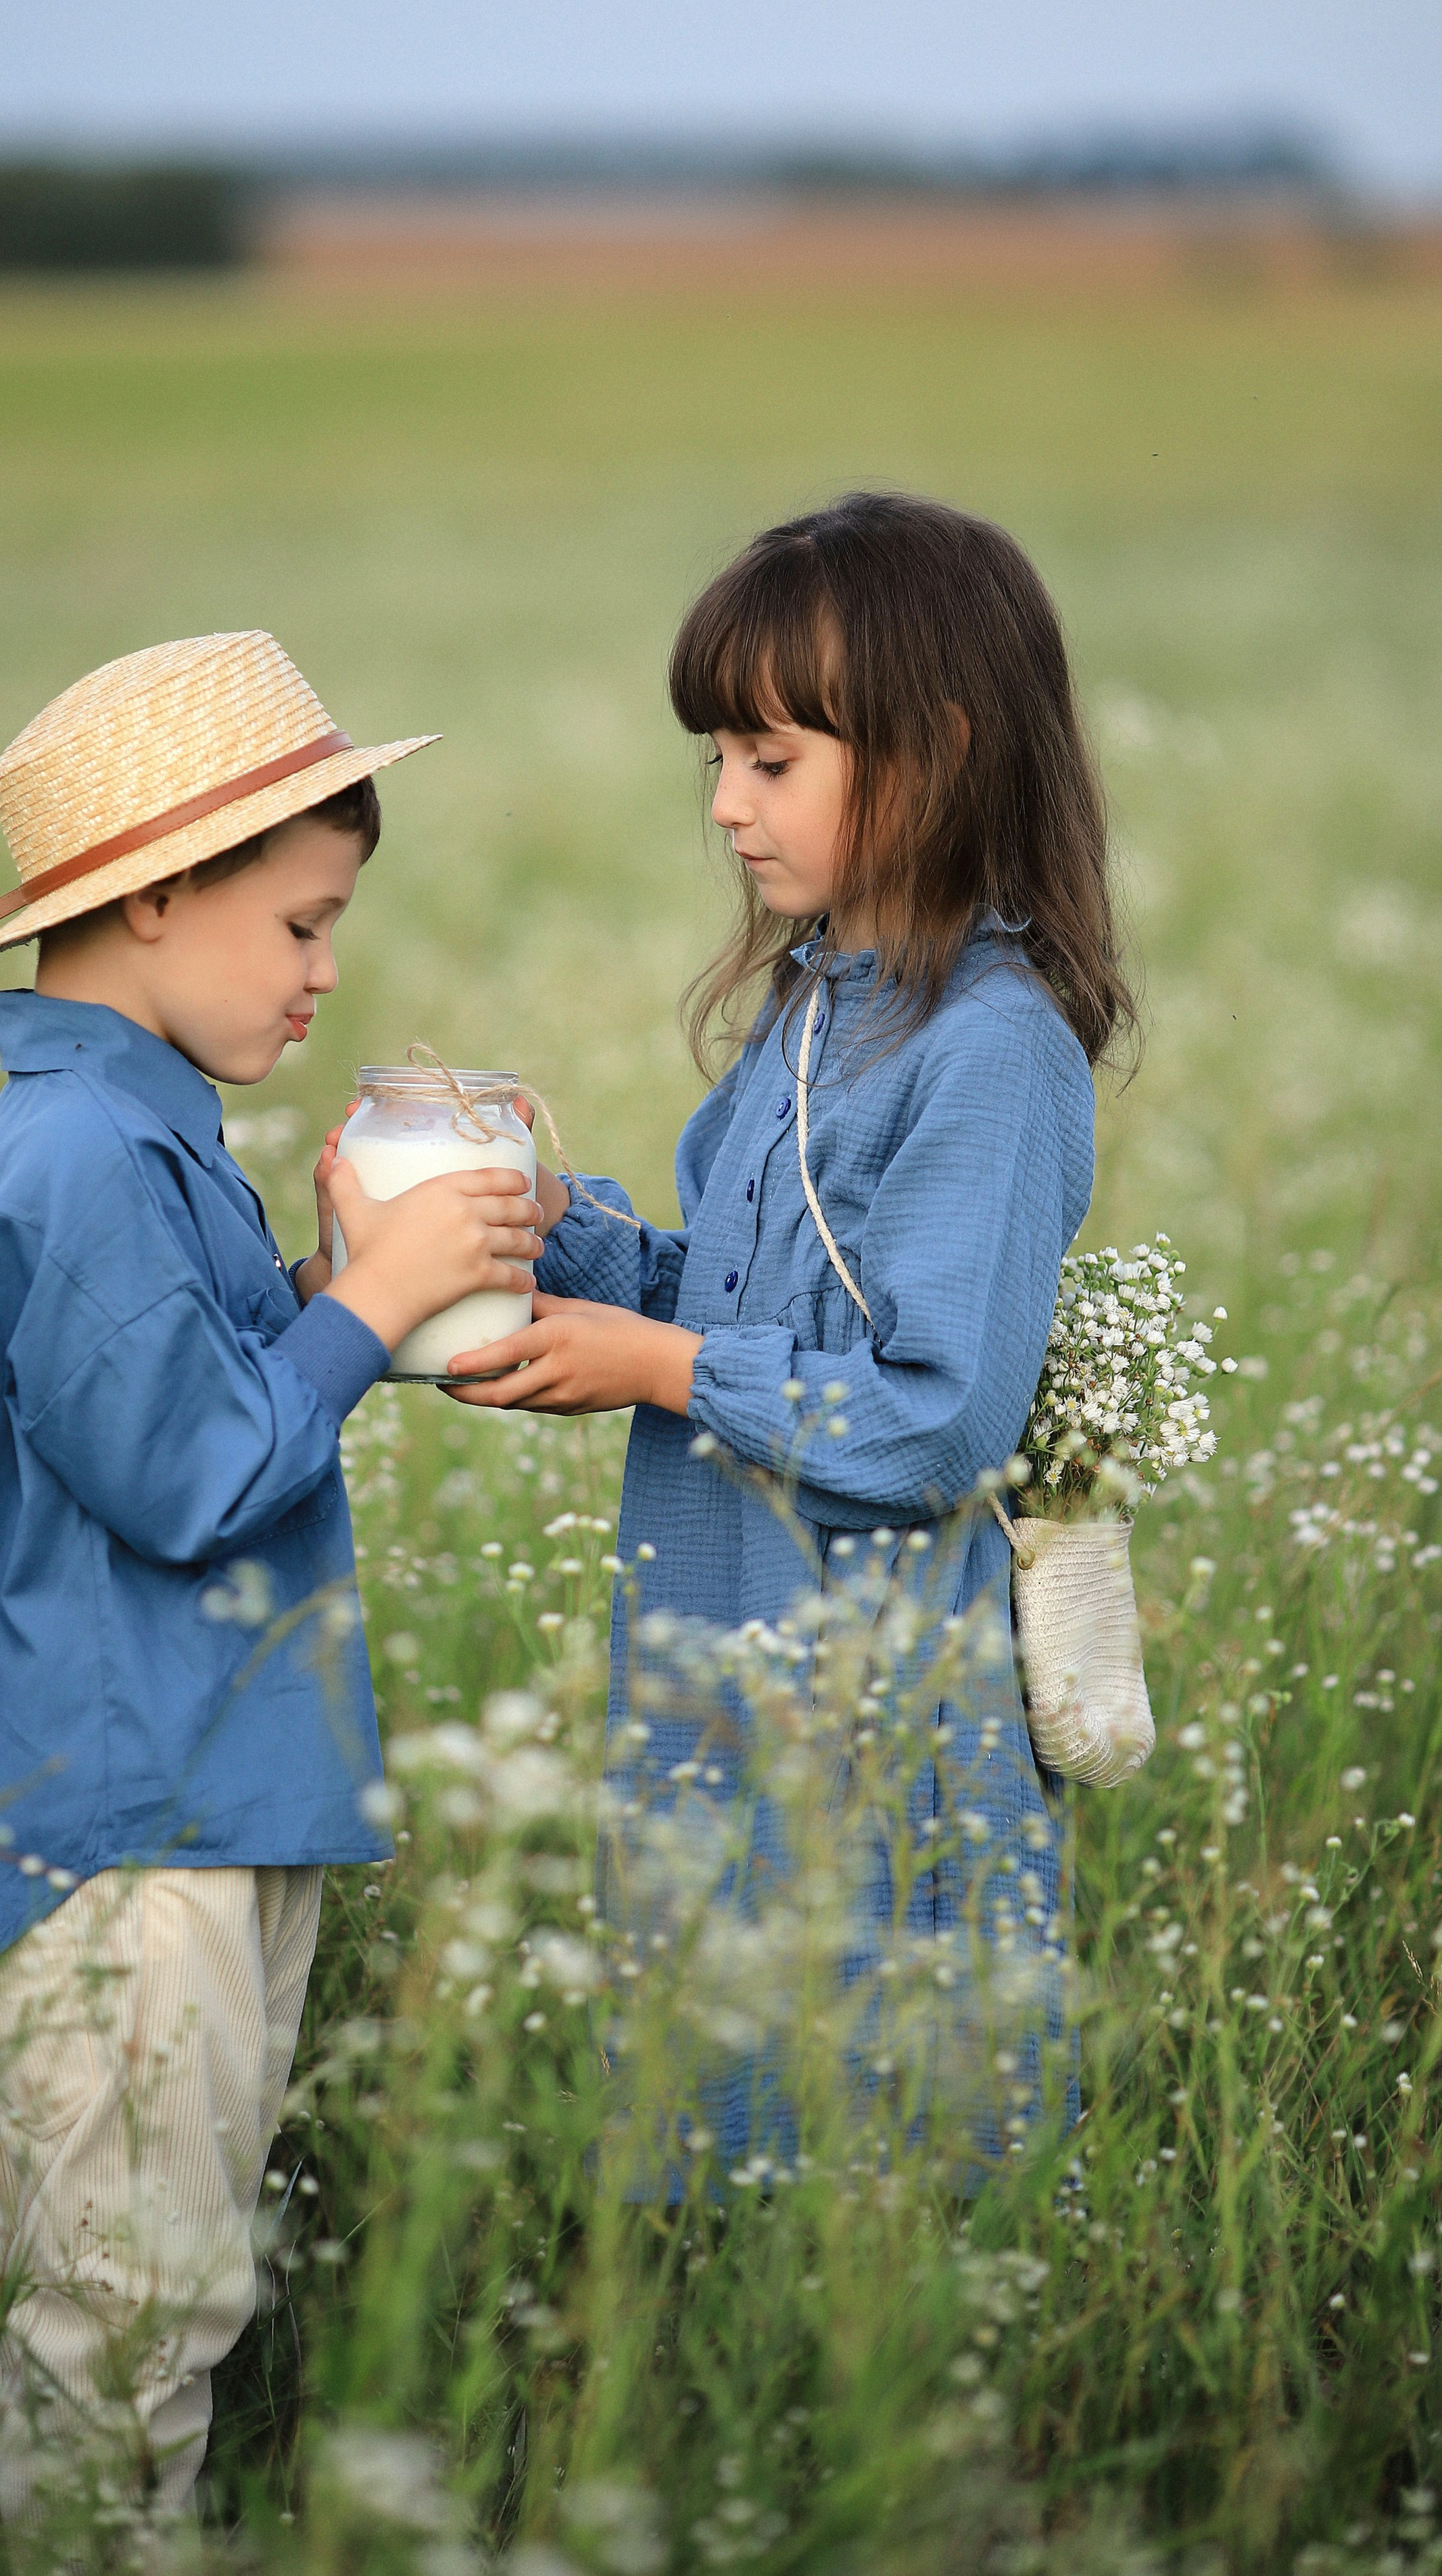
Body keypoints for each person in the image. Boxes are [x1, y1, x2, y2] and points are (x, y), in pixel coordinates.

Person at [0, 631, 544, 2524]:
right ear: (157, 896)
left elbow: (186, 1403)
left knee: (166, 2300)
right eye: (305, 924)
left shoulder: (143, 1131)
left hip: (186, 1801)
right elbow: (182, 1476)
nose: (332, 970)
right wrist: (380, 1300)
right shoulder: (83, 1151)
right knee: (119, 2324)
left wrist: (345, 1290)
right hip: (120, 1829)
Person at [438, 494, 1136, 2160]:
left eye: (770, 759)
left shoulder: (991, 1048)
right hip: (726, 1677)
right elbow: (766, 1306)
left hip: (866, 1706)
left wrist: (658, 1370)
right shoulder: (818, 998)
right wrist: (579, 1252)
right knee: (715, 2126)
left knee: (864, 2148)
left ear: (937, 750)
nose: (729, 811)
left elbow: (934, 1414)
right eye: (715, 765)